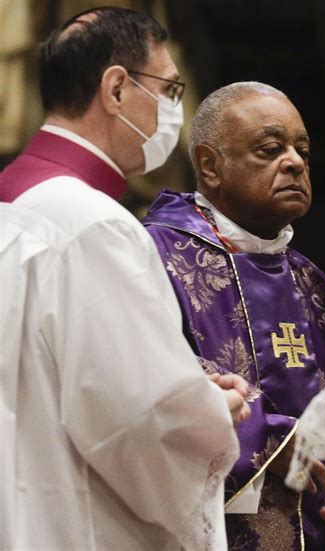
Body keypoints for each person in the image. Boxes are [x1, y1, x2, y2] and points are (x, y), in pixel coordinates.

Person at [0, 8, 251, 551]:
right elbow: (141, 424)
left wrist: (178, 387)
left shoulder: (16, 202)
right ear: (116, 89)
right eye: (169, 89)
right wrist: (210, 409)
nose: (173, 112)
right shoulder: (93, 225)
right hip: (74, 522)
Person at [143, 81, 325, 550]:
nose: (296, 162)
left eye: (302, 150)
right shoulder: (150, 258)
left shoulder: (318, 291)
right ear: (209, 164)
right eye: (270, 148)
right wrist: (266, 437)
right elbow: (137, 375)